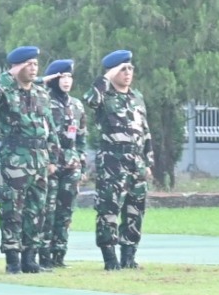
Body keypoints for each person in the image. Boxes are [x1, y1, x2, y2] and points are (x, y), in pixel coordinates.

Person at [0, 46, 53, 273]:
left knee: (36, 209)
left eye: (35, 64)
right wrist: (11, 74)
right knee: (12, 209)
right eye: (28, 64)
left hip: (39, 158)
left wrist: (52, 156)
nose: (33, 68)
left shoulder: (41, 93)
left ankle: (30, 258)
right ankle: (13, 259)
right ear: (18, 66)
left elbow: (49, 127)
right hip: (14, 158)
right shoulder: (6, 91)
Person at [88, 51, 151, 270]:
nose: (127, 73)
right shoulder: (104, 96)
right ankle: (110, 257)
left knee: (135, 210)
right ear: (111, 71)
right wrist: (106, 78)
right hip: (113, 161)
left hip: (137, 161)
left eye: (130, 69)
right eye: (122, 69)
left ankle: (129, 255)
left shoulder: (137, 97)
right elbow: (91, 100)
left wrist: (148, 161)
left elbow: (145, 130)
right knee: (109, 209)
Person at [41, 58, 85, 269]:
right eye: (62, 77)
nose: (66, 81)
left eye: (69, 76)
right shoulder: (44, 101)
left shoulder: (76, 105)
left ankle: (59, 254)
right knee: (47, 211)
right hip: (51, 163)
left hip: (71, 164)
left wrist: (81, 164)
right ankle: (44, 255)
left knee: (65, 212)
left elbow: (82, 137)